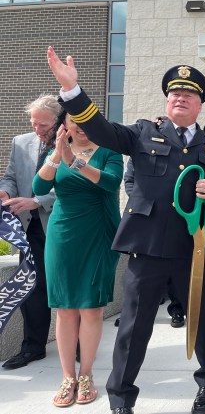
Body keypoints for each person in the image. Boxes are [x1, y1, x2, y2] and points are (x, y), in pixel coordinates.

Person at [47, 46, 205, 414]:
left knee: (203, 320)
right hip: (147, 247)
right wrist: (72, 91)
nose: (180, 98)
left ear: (200, 105)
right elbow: (100, 129)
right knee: (134, 327)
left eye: (189, 94)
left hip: (194, 248)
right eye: (174, 94)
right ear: (167, 102)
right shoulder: (141, 132)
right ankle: (120, 397)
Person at [33, 113, 123, 407]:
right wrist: (58, 156)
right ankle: (67, 377)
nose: (80, 127)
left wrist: (74, 160)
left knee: (92, 307)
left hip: (98, 230)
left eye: (86, 121)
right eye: (75, 121)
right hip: (63, 232)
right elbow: (39, 188)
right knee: (66, 308)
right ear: (66, 125)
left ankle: (86, 375)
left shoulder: (109, 152)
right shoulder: (56, 150)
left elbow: (110, 183)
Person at [0, 95, 61, 370]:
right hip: (29, 228)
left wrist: (38, 201)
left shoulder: (73, 144)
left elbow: (73, 187)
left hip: (63, 226)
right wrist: (7, 191)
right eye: (33, 124)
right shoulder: (20, 142)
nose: (37, 130)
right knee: (32, 287)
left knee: (67, 286)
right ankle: (33, 347)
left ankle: (80, 345)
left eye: (44, 125)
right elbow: (12, 176)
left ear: (58, 121)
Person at [124, 153, 185, 329]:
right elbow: (130, 182)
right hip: (144, 218)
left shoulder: (179, 151)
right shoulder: (140, 152)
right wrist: (143, 202)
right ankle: (132, 313)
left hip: (174, 219)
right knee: (138, 271)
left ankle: (177, 310)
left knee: (174, 270)